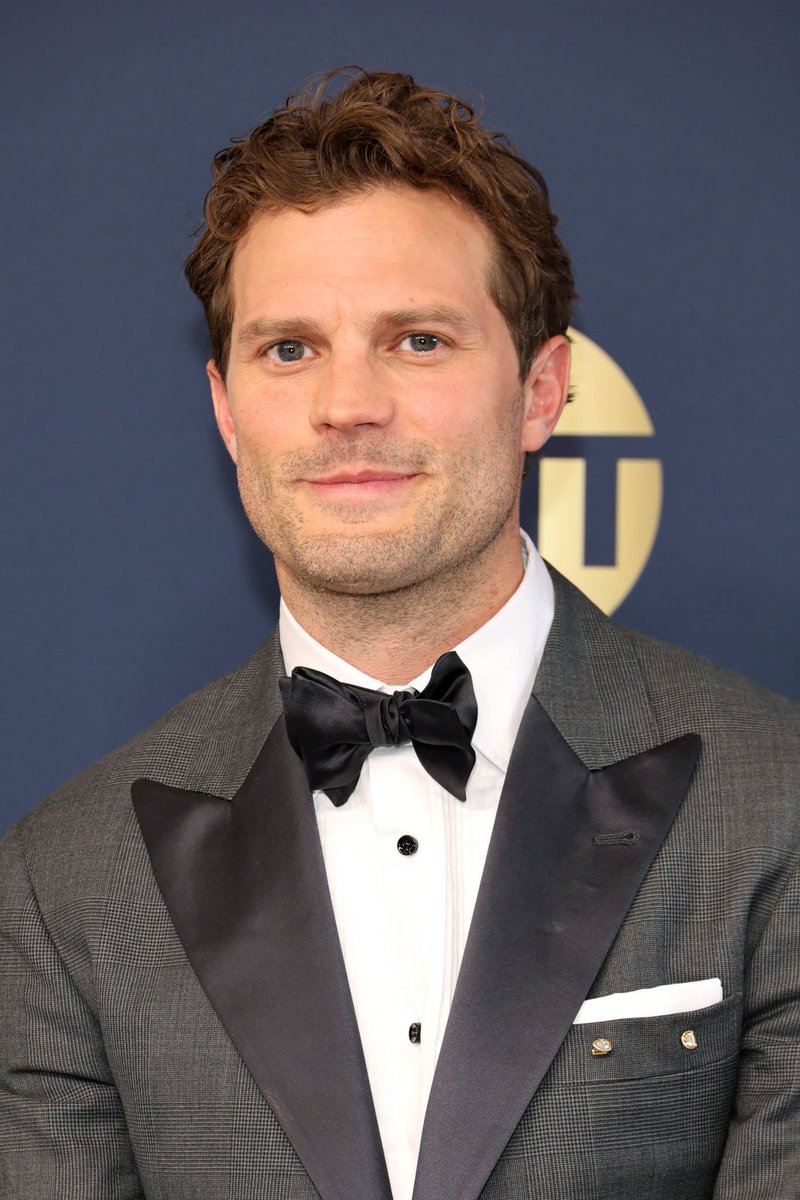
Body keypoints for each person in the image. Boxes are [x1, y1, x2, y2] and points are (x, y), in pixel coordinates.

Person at [1, 68, 798, 1200]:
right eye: (290, 350)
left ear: (538, 390)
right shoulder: (61, 877)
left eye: (416, 340)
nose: (347, 405)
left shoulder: (778, 804)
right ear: (227, 410)